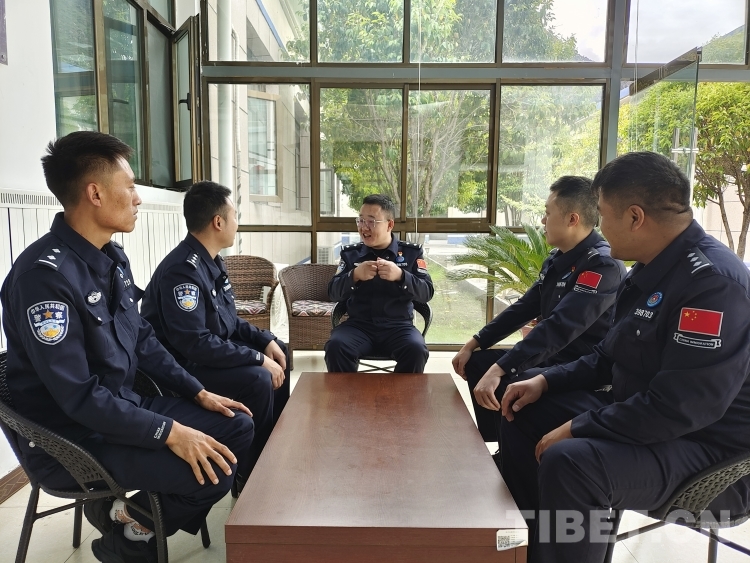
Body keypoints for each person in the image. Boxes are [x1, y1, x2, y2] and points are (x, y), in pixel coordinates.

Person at [0, 131, 254, 563]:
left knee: (237, 426)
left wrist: (197, 392)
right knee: (215, 469)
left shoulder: (111, 258)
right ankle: (129, 547)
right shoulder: (43, 279)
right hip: (75, 436)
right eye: (131, 186)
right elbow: (78, 397)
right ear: (95, 194)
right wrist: (170, 432)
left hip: (121, 407)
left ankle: (126, 520)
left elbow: (142, 338)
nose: (138, 198)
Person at [499, 151, 750, 563]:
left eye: (601, 214)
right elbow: (607, 357)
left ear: (635, 217)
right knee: (520, 408)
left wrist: (579, 427)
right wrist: (544, 380)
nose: (598, 226)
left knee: (572, 462)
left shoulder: (712, 285)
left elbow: (680, 408)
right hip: (645, 417)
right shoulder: (650, 270)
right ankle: (527, 542)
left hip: (707, 451)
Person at [452, 176, 625, 446]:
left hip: (579, 367)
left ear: (572, 219)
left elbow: (559, 326)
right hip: (551, 357)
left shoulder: (602, 265)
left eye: (547, 213)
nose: (543, 221)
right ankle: (498, 446)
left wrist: (501, 368)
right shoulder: (557, 259)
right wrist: (474, 342)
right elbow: (523, 308)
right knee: (477, 363)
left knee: (511, 384)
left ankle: (512, 458)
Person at [141, 181, 290, 476]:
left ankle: (271, 451)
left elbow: (229, 321)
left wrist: (265, 341)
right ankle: (250, 472)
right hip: (181, 369)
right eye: (234, 216)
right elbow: (195, 344)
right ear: (218, 222)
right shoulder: (182, 271)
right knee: (259, 377)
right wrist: (257, 358)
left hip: (207, 355)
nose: (237, 223)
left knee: (280, 352)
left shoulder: (211, 261)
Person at [325, 194, 434, 373]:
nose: (363, 227)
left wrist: (401, 276)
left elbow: (427, 292)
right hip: (358, 326)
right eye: (360, 220)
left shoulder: (411, 253)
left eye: (371, 221)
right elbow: (332, 293)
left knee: (416, 349)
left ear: (390, 225)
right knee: (336, 346)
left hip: (398, 327)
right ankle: (346, 392)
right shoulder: (351, 255)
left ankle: (401, 392)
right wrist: (354, 275)